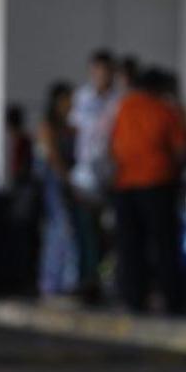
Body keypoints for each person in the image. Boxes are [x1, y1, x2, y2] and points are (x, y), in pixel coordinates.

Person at [109, 67, 186, 314]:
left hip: (126, 184)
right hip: (158, 183)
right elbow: (181, 149)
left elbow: (114, 145)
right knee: (164, 244)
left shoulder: (124, 108)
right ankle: (171, 298)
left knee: (130, 245)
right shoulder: (167, 110)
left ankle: (133, 298)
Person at [68, 49, 121, 300]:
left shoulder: (119, 101)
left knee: (109, 233)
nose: (101, 76)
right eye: (97, 71)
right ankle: (87, 280)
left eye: (106, 71)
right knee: (85, 232)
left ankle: (107, 279)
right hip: (84, 177)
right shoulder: (82, 98)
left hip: (112, 177)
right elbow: (74, 132)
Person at [37, 82, 79, 296]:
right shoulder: (48, 128)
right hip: (53, 185)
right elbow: (52, 157)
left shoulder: (68, 127)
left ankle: (63, 281)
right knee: (59, 230)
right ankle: (53, 283)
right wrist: (68, 179)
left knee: (63, 231)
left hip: (62, 183)